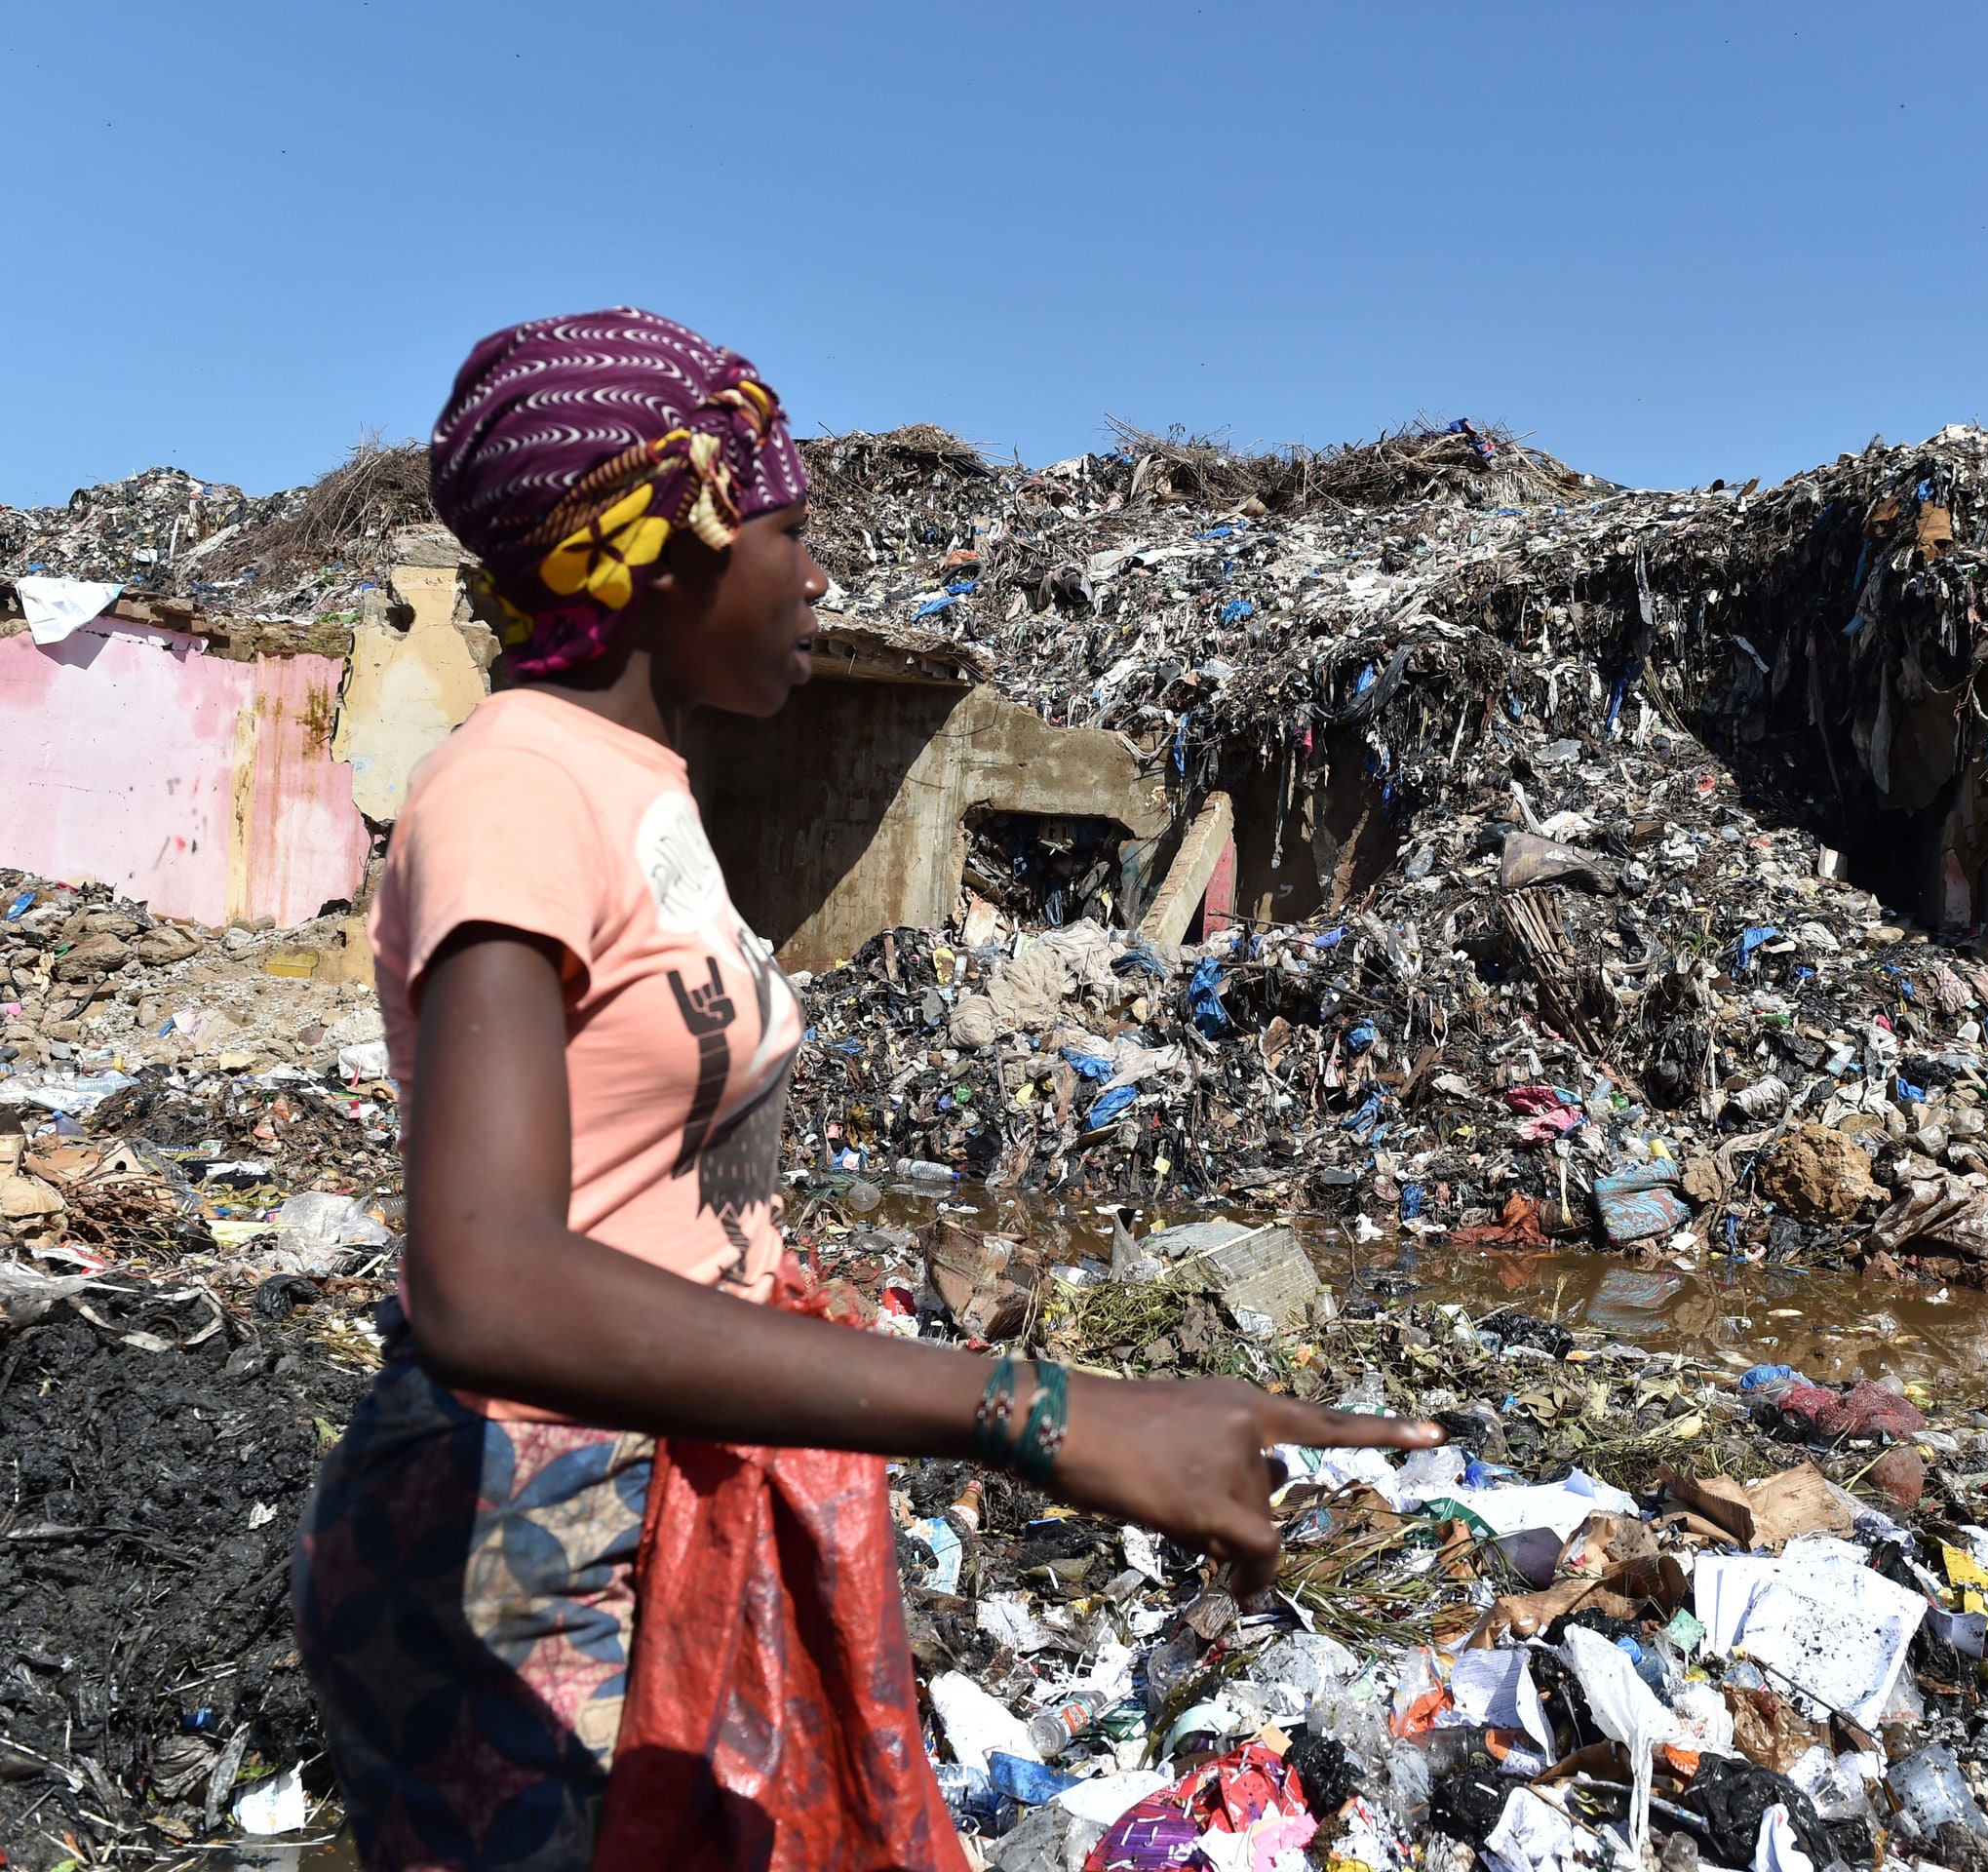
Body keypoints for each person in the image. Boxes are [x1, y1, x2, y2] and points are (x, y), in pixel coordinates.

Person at [291, 309, 1439, 1872]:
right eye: (791, 527)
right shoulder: (514, 787)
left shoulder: (636, 786)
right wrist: (1027, 1412)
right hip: (523, 1568)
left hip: (644, 1510)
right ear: (662, 549)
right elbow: (482, 1278)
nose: (817, 575)